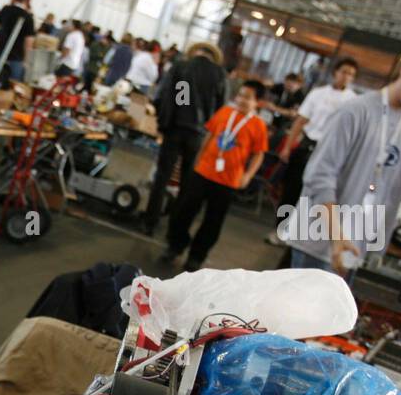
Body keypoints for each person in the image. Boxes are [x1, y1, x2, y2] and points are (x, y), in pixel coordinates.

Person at [288, 43, 401, 273]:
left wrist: (376, 249)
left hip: (354, 248)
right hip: (317, 241)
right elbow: (320, 175)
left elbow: (392, 195)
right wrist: (337, 235)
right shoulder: (356, 112)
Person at [163, 79, 269, 271]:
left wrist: (247, 176)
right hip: (203, 171)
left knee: (213, 222)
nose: (242, 100)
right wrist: (198, 158)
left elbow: (258, 154)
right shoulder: (225, 112)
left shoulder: (258, 126)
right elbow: (209, 135)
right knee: (183, 211)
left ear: (258, 103)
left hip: (228, 180)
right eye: (240, 95)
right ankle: (175, 246)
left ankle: (196, 256)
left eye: (248, 97)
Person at [141, 41, 228, 235]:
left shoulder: (182, 67)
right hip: (199, 134)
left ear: (195, 52)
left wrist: (164, 116)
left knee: (162, 176)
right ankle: (175, 227)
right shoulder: (219, 74)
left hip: (175, 128)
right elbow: (221, 109)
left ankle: (150, 222)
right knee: (187, 183)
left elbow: (169, 96)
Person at [275, 56, 358, 233]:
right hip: (308, 143)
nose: (346, 77)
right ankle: (281, 229)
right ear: (336, 72)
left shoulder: (353, 101)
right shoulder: (318, 93)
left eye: (351, 74)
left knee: (315, 195)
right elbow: (300, 121)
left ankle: (299, 232)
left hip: (330, 150)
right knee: (292, 189)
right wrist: (288, 146)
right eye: (344, 72)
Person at [0, 0, 35, 83]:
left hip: (0, 51)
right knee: (11, 85)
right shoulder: (28, 17)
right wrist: (26, 60)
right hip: (16, 57)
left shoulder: (6, 9)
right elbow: (28, 41)